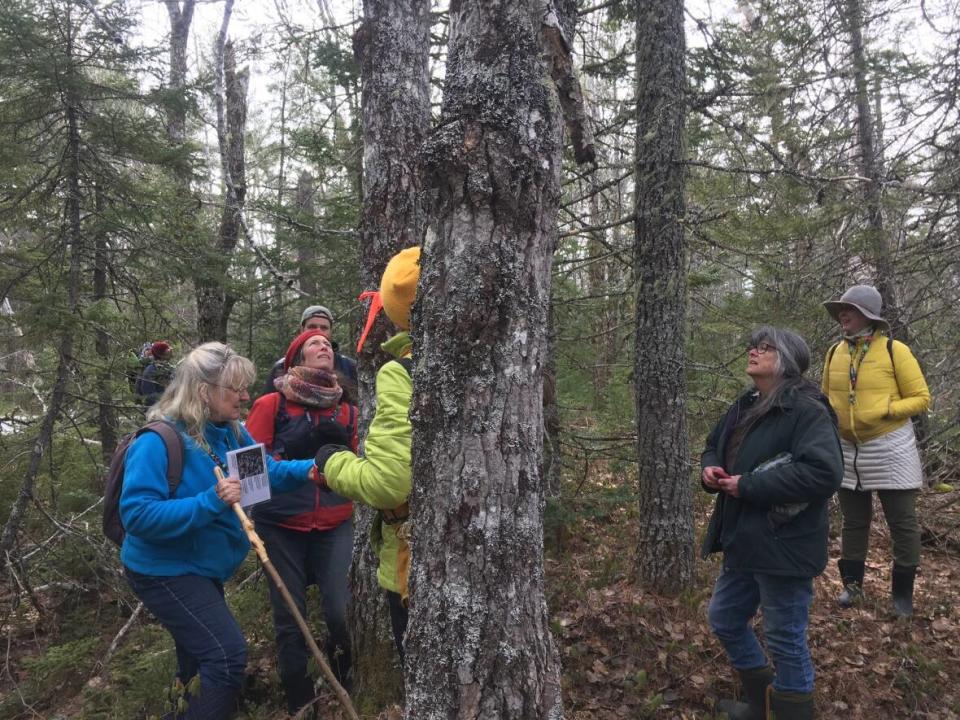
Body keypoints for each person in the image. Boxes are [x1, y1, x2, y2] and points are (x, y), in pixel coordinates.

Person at [119, 342, 320, 720]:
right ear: (203, 391)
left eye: (246, 387)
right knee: (225, 657)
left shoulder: (229, 431)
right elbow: (138, 515)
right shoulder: (159, 440)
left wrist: (315, 469)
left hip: (200, 568)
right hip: (163, 570)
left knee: (197, 666)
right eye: (236, 388)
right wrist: (212, 500)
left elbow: (264, 475)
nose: (246, 395)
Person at [701, 326, 843, 720]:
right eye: (753, 346)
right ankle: (763, 706)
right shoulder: (745, 403)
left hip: (785, 542)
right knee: (725, 618)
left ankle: (791, 712)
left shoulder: (807, 409)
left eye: (765, 348)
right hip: (743, 538)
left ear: (788, 361)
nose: (754, 352)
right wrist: (710, 468)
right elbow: (713, 443)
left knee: (784, 638)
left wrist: (750, 485)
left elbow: (823, 473)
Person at [313, 246, 419, 659]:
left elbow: (389, 484)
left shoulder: (401, 371)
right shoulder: (495, 359)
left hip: (416, 559)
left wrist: (332, 461)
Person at [245, 330, 357, 714]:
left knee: (340, 613)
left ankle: (346, 689)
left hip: (336, 522)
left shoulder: (347, 410)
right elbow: (249, 475)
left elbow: (363, 468)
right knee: (291, 617)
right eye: (314, 343)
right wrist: (294, 465)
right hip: (280, 527)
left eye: (329, 344)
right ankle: (301, 702)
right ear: (295, 360)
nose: (325, 346)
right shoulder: (269, 405)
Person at [821, 285, 931, 618]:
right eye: (841, 309)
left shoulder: (896, 351)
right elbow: (824, 398)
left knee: (903, 523)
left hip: (890, 446)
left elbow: (921, 398)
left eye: (849, 310)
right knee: (854, 521)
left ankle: (902, 597)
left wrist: (885, 409)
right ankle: (852, 588)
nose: (843, 315)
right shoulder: (834, 353)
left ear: (867, 315)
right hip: (848, 449)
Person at [261, 306, 357, 395]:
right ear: (302, 330)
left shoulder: (348, 366)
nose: (318, 331)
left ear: (331, 332)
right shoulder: (282, 366)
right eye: (312, 327)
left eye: (324, 328)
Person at [138, 341, 175, 406]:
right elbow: (149, 395)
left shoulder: (170, 368)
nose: (171, 350)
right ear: (162, 354)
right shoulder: (151, 370)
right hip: (160, 410)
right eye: (167, 349)